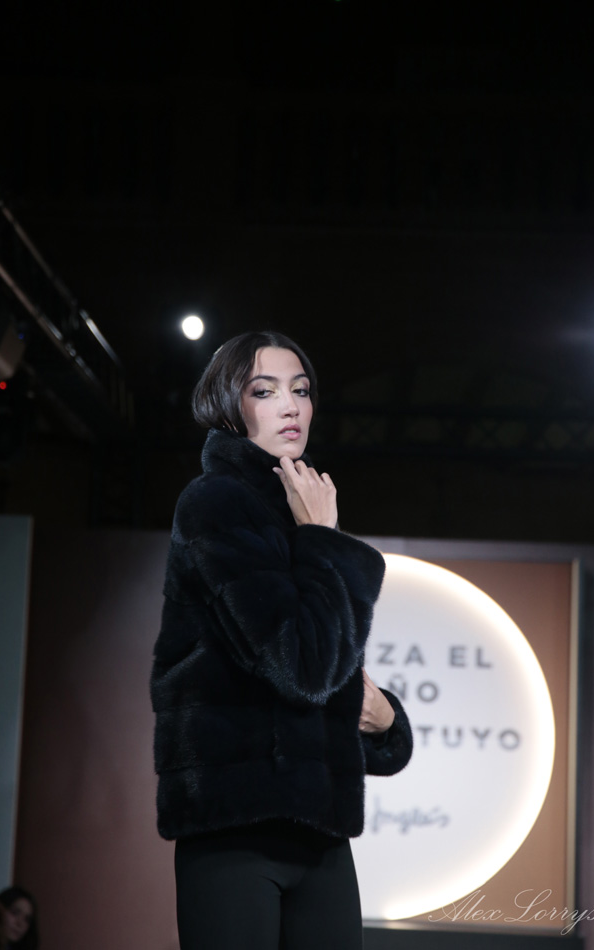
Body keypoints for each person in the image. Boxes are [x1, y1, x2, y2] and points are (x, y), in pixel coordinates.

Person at [151, 331, 413, 950]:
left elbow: (325, 676)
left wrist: (385, 723)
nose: (291, 406)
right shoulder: (215, 503)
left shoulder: (298, 511)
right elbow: (300, 666)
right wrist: (324, 540)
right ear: (228, 407)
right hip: (235, 826)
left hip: (319, 835)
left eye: (301, 389)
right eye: (264, 391)